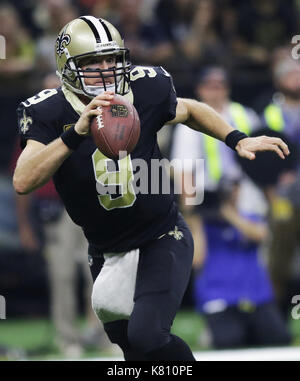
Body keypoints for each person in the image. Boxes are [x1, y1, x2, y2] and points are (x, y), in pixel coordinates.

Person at [13, 16, 289, 361]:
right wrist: (75, 132)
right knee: (133, 349)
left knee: (147, 336)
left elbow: (189, 109)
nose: (105, 69)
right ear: (67, 68)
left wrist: (237, 138)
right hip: (106, 250)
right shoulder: (48, 110)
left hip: (161, 235)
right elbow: (23, 180)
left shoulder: (145, 87)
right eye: (92, 62)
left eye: (111, 59)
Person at [193, 178, 291, 349]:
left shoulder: (249, 217)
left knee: (279, 338)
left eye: (235, 188)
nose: (232, 193)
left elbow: (261, 235)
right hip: (219, 298)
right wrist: (194, 219)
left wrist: (228, 213)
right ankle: (211, 331)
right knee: (230, 342)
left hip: (256, 297)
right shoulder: (202, 224)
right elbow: (196, 260)